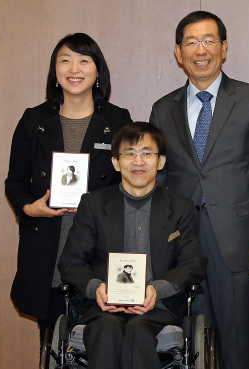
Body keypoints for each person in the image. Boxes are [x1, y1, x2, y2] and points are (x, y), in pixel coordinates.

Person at [149, 11, 249, 369]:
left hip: (238, 243)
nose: (200, 49)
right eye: (191, 42)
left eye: (209, 40)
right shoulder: (163, 109)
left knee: (237, 347)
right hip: (182, 244)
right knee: (186, 345)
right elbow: (158, 182)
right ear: (178, 52)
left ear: (224, 48)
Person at [5, 32, 132, 346]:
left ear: (98, 71)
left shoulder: (118, 121)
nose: (74, 68)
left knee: (101, 344)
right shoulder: (33, 121)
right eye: (65, 60)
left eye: (83, 60)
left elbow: (131, 185)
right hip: (48, 247)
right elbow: (15, 183)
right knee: (53, 344)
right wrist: (28, 207)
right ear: (55, 71)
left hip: (99, 250)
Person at [58, 123, 206, 369]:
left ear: (161, 161)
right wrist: (97, 288)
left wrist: (157, 289)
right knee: (106, 328)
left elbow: (193, 263)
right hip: (103, 307)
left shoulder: (180, 207)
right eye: (130, 153)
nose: (139, 161)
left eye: (147, 153)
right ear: (116, 162)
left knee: (138, 332)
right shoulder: (93, 205)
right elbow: (71, 262)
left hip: (157, 308)